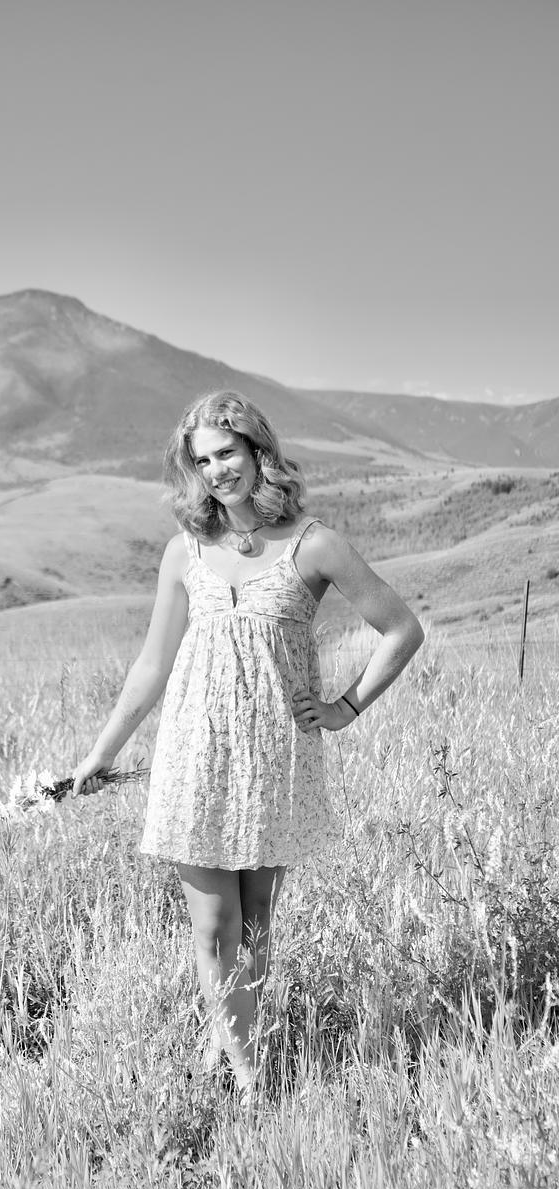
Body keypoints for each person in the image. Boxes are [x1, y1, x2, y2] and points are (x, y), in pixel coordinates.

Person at [71, 390, 424, 1099]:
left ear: (259, 451)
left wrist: (346, 707)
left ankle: (230, 1038)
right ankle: (249, 1076)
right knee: (215, 927)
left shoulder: (314, 544)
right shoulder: (184, 552)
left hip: (275, 758)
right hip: (194, 757)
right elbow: (152, 665)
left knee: (256, 924)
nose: (217, 471)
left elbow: (402, 630)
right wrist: (102, 751)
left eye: (227, 453)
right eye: (202, 461)